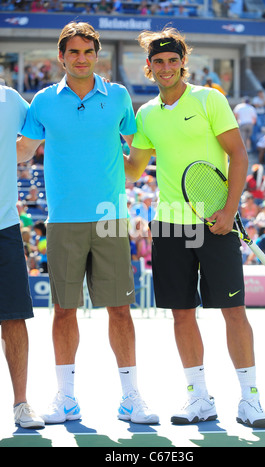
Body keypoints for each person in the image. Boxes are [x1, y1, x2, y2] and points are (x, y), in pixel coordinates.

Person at [124, 27, 265, 428]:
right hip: (169, 227)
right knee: (182, 314)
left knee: (233, 311)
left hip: (216, 223)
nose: (167, 67)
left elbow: (238, 156)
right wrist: (95, 145)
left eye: (173, 60)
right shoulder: (146, 114)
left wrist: (229, 209)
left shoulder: (210, 99)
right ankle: (199, 399)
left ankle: (250, 401)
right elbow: (133, 169)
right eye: (159, 62)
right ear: (149, 67)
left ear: (182, 62)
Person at [17, 22, 159, 425]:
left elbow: (137, 153)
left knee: (120, 310)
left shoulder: (118, 97)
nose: (81, 59)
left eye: (87, 52)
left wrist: (128, 174)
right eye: (73, 52)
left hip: (111, 219)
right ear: (61, 57)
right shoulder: (42, 101)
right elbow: (24, 152)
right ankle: (65, 399)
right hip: (62, 221)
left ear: (96, 55)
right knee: (63, 311)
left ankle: (132, 398)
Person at [0, 83, 44, 429]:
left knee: (14, 319)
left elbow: (29, 145)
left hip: (4, 226)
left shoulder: (9, 98)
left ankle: (21, 404)